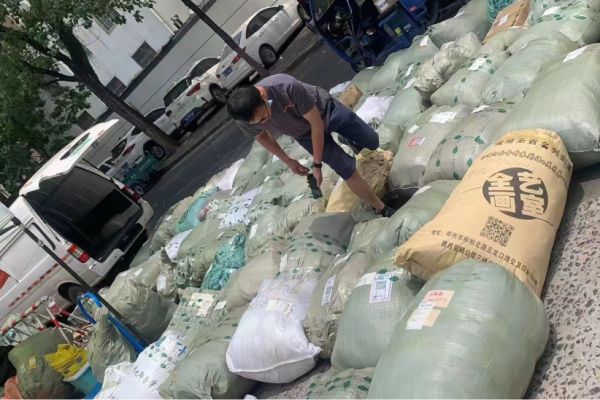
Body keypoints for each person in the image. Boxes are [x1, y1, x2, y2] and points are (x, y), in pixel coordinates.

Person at [226, 74, 395, 217]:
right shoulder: (244, 117)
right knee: (346, 170)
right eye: (259, 122)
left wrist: (317, 164)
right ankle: (382, 208)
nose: (265, 121)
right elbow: (262, 137)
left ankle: (348, 139)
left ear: (262, 96)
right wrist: (288, 161)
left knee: (372, 141)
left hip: (327, 111)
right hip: (303, 134)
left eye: (264, 116)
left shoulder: (286, 86)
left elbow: (316, 123)